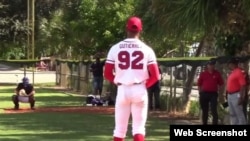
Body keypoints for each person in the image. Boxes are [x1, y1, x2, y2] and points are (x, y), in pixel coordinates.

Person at [104, 16, 160, 141]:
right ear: (141, 30)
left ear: (126, 28)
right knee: (139, 129)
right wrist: (144, 86)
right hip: (139, 88)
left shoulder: (115, 48)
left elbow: (107, 73)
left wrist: (116, 81)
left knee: (119, 130)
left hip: (122, 89)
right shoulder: (147, 49)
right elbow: (156, 76)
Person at [197, 59, 224, 125]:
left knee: (214, 110)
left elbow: (221, 84)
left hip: (213, 94)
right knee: (205, 111)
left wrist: (220, 92)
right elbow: (199, 84)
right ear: (208, 66)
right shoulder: (203, 74)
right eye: (210, 65)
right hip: (204, 94)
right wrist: (200, 92)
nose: (212, 66)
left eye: (213, 65)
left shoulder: (217, 73)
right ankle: (204, 123)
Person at [226, 57, 247, 125]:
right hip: (230, 95)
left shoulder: (238, 72)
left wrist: (241, 97)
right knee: (232, 114)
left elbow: (243, 85)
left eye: (229, 64)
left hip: (236, 95)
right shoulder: (232, 72)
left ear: (233, 64)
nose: (228, 65)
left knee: (239, 113)